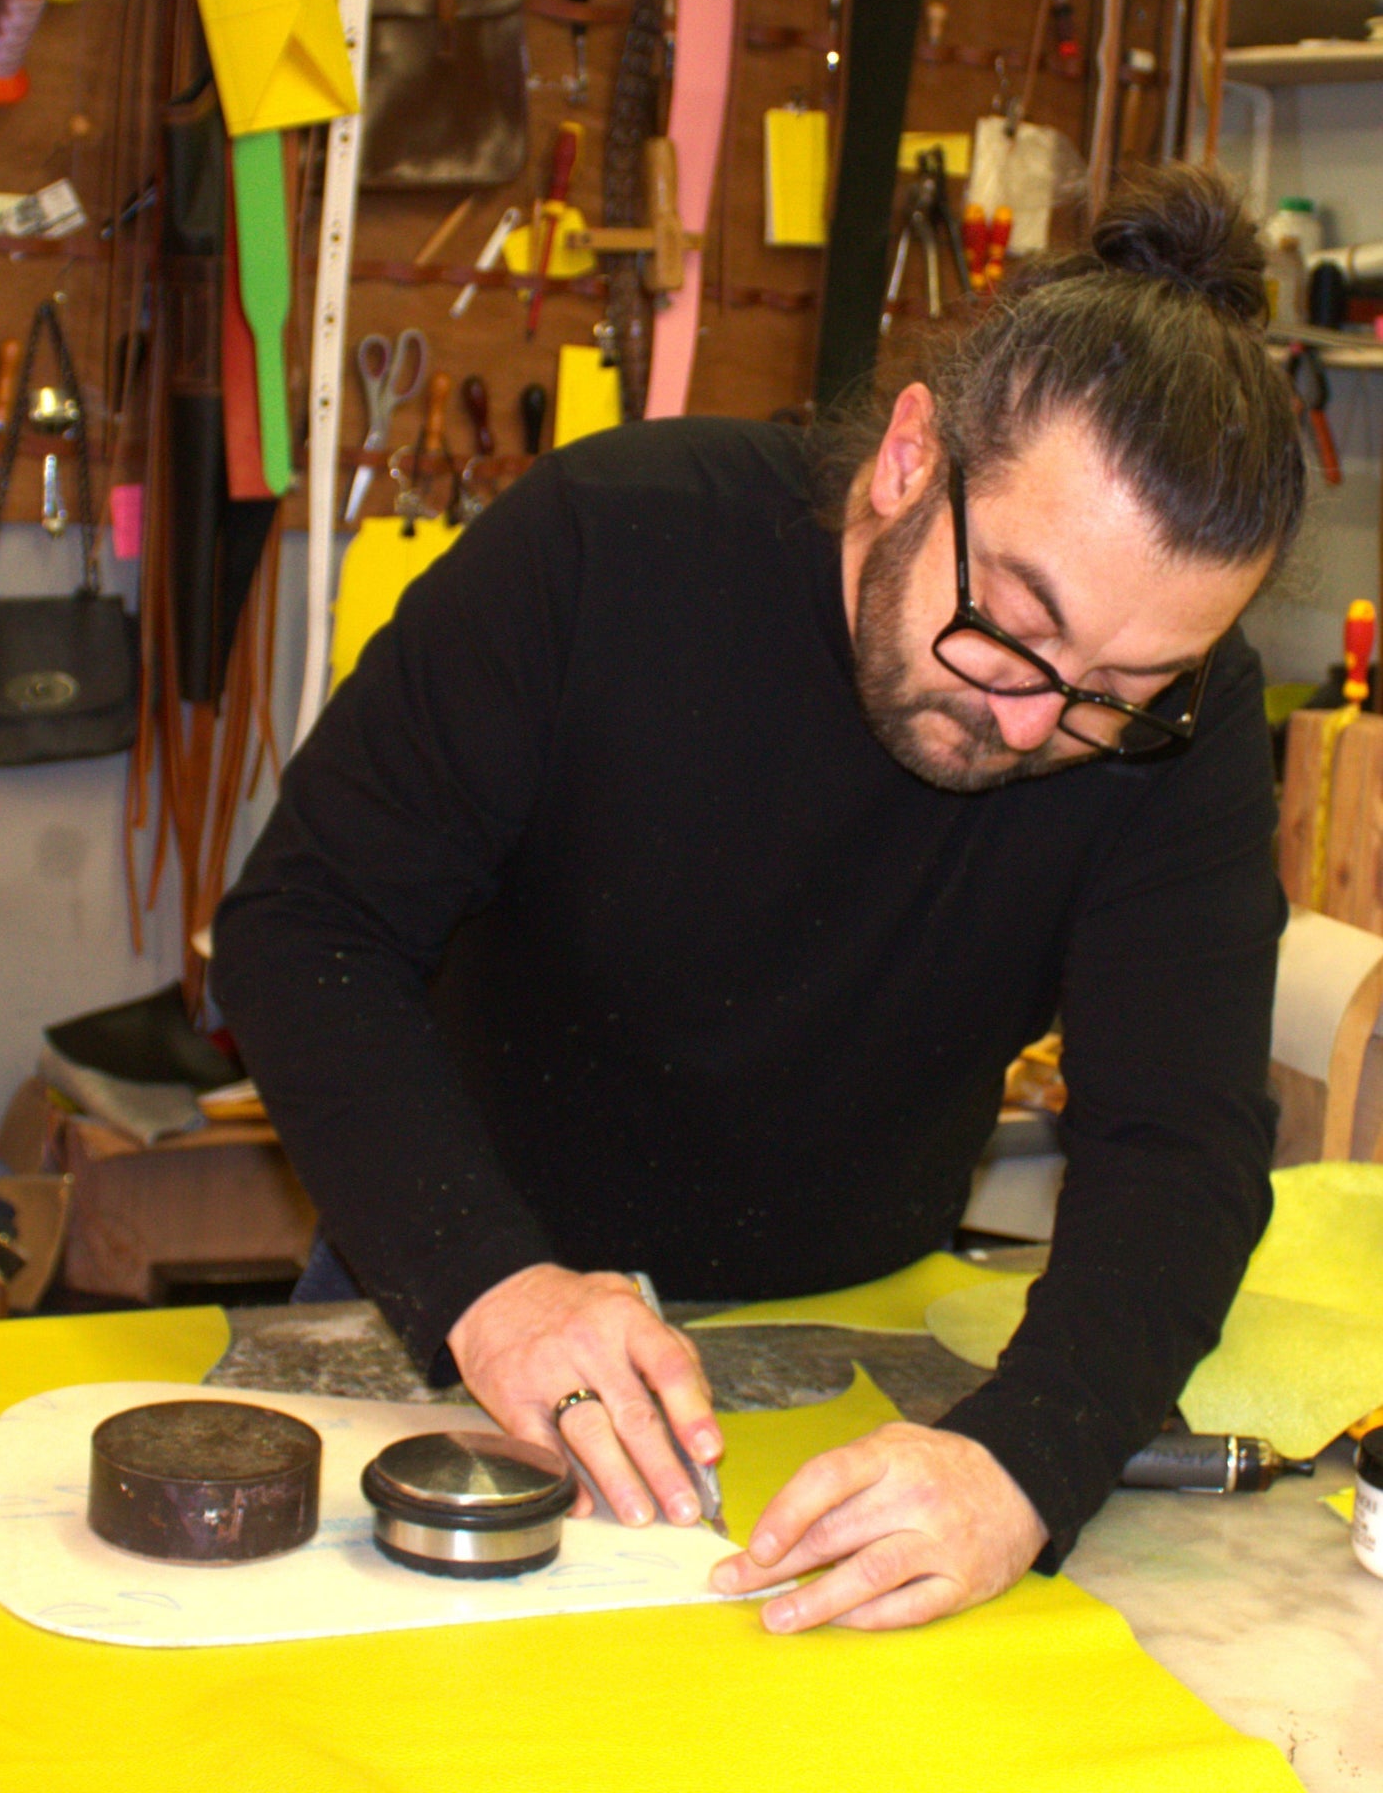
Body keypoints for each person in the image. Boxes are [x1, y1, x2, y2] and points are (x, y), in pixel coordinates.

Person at [212, 164, 1304, 1631]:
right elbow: (304, 929)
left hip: (864, 1329)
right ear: (912, 456)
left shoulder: (1192, 718)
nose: (1040, 727)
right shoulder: (607, 545)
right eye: (1015, 628)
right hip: (464, 1295)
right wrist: (497, 1288)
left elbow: (1181, 1141)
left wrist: (1028, 1460)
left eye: (1120, 693)